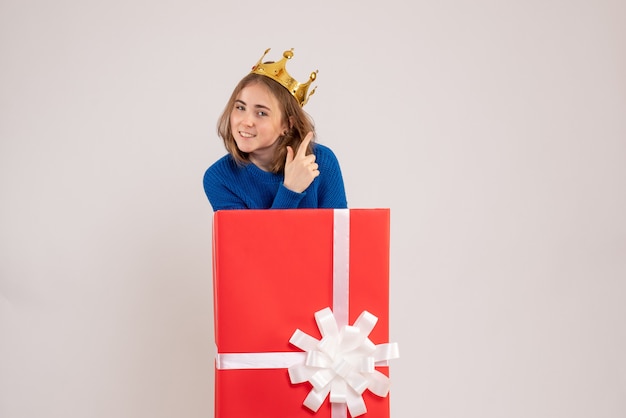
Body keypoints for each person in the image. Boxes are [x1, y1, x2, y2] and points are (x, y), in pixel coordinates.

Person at [203, 48, 348, 211]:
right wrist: (290, 190)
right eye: (240, 107)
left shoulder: (321, 162)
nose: (246, 121)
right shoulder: (220, 178)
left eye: (261, 113)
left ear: (287, 124)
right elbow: (249, 238)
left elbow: (338, 234)